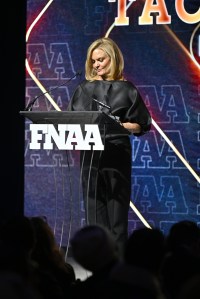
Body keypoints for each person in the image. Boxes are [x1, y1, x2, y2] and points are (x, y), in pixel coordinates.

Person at [67, 37, 151, 254]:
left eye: (101, 59)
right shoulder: (83, 89)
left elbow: (141, 124)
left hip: (115, 153)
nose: (96, 65)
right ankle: (96, 263)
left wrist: (121, 125)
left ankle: (118, 265)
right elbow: (70, 119)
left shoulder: (127, 89)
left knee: (116, 215)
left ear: (112, 59)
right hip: (90, 153)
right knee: (94, 212)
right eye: (93, 61)